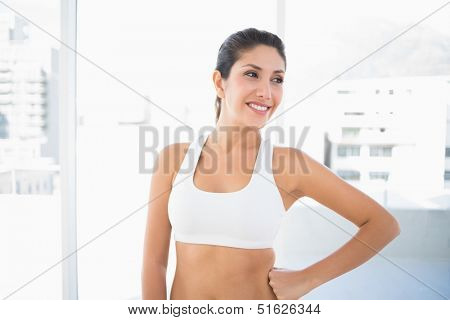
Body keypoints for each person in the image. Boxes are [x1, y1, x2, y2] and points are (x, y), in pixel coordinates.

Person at [141, 27, 401, 300]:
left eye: (277, 79)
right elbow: (154, 263)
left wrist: (308, 278)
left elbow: (383, 224)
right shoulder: (173, 159)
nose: (266, 92)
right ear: (220, 83)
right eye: (252, 74)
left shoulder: (287, 164)